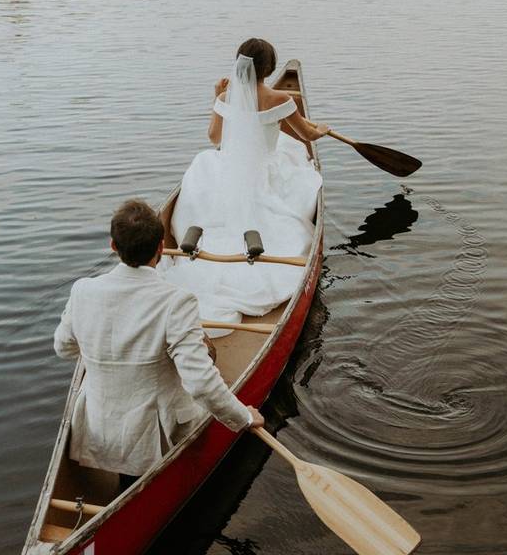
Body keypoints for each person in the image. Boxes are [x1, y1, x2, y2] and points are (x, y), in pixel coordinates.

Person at [54, 199, 264, 487]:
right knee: (205, 356)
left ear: (113, 246)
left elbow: (63, 348)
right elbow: (201, 384)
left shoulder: (82, 290)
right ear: (161, 248)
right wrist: (244, 417)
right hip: (151, 435)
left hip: (98, 425)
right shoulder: (177, 301)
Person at [159, 38, 331, 333]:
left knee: (204, 163)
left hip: (228, 168)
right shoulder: (281, 100)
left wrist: (217, 96)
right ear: (269, 68)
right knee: (299, 166)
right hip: (265, 168)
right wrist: (323, 129)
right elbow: (306, 135)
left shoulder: (226, 98)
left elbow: (214, 140)